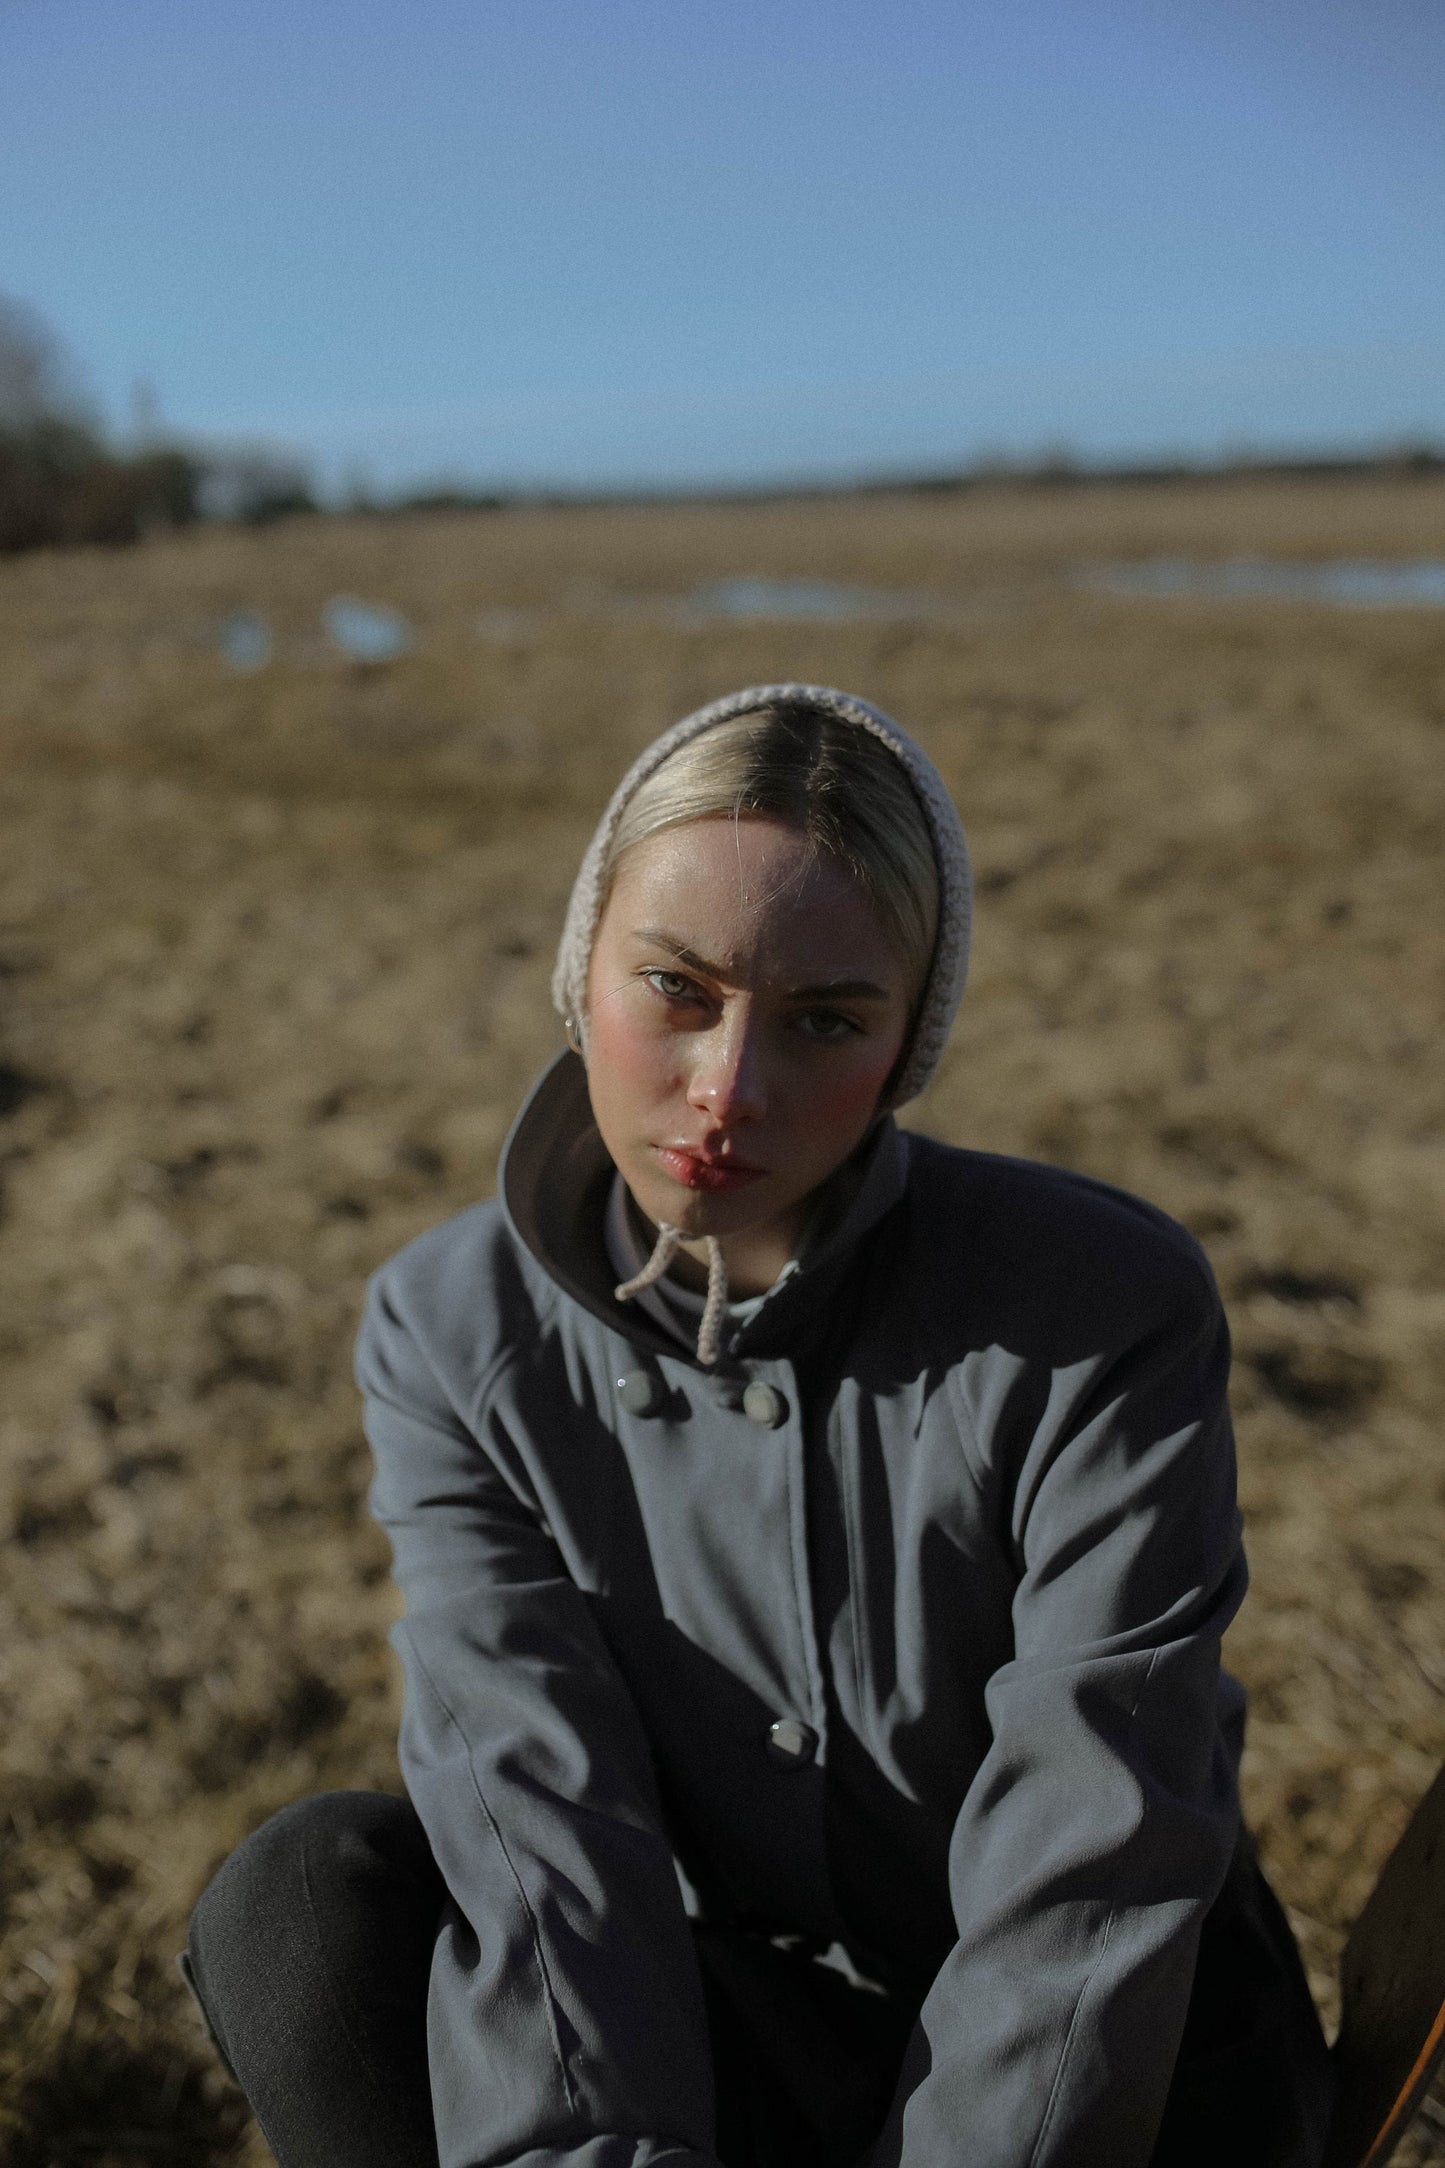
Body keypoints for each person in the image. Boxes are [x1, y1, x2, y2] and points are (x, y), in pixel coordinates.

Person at [183, 684, 1335, 2168]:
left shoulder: (1097, 1310)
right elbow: (540, 1818)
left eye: (823, 1021)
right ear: (578, 968)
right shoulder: (449, 1332)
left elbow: (1096, 1844)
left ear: (906, 1042)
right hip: (753, 2028)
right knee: (305, 1902)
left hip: (1125, 2065)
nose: (729, 1089)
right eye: (675, 989)